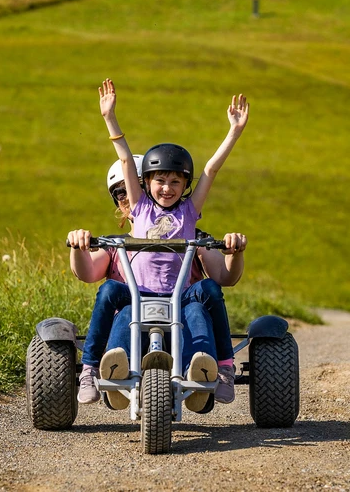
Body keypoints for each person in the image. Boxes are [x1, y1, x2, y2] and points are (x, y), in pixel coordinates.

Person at [96, 77, 249, 410]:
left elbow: (210, 169)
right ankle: (110, 368)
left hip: (180, 295)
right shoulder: (139, 208)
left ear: (185, 186)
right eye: (160, 181)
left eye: (175, 182)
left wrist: (234, 132)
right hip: (140, 294)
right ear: (146, 183)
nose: (167, 188)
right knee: (122, 312)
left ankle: (214, 367)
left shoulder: (189, 212)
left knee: (207, 293)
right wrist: (110, 119)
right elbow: (124, 159)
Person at [68, 161, 247, 407]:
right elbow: (86, 273)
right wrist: (78, 247)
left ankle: (206, 370)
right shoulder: (115, 245)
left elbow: (225, 278)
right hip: (131, 324)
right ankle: (101, 368)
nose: (126, 198)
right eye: (119, 193)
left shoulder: (191, 238)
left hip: (183, 320)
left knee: (198, 305)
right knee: (123, 305)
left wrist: (234, 252)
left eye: (130, 190)